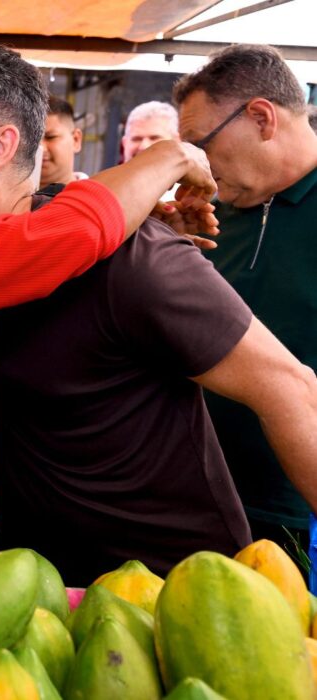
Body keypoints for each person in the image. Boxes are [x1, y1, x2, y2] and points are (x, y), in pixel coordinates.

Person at [0, 44, 317, 587]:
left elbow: (291, 388)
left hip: (167, 591)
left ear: (0, 146)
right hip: (30, 594)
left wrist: (166, 168)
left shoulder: (130, 257)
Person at [174, 44, 317, 559]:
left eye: (200, 146)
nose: (196, 168)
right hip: (206, 493)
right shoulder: (210, 217)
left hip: (299, 511)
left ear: (261, 117)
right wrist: (165, 253)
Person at [39, 96, 84, 192]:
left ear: (76, 140)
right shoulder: (6, 203)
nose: (41, 147)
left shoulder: (97, 202)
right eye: (33, 140)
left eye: (50, 137)